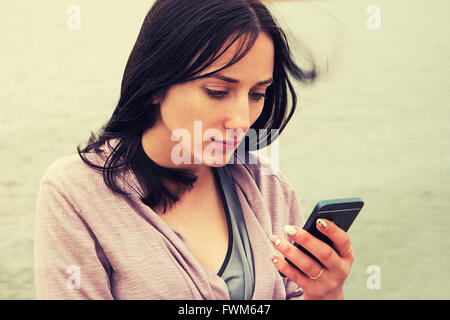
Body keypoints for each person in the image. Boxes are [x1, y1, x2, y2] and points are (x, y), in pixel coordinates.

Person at [34, 0, 354, 300]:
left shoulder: (268, 187)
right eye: (218, 92)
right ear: (157, 84)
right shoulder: (74, 193)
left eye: (257, 94)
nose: (241, 121)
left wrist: (325, 295)